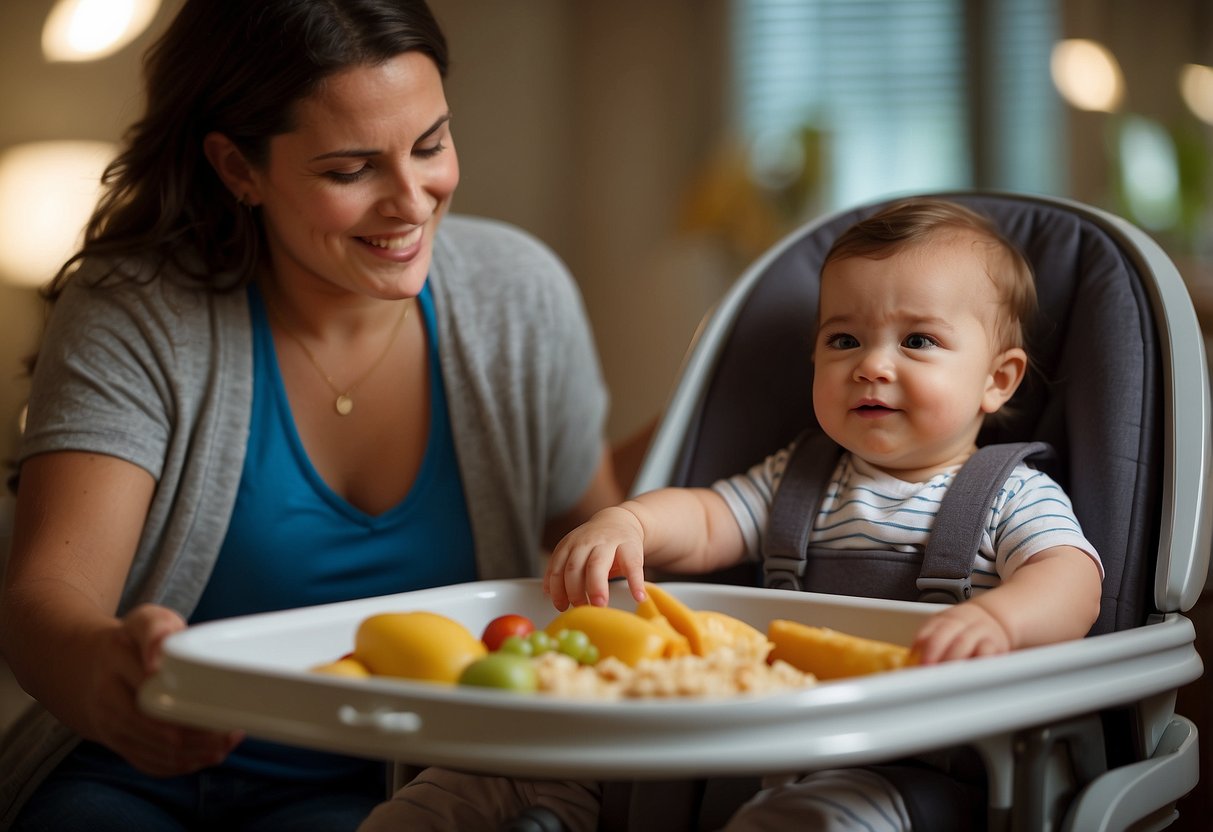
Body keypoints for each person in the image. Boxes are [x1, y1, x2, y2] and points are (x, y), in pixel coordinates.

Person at [0, 1, 627, 830]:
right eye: (349, 170)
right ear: (238, 169)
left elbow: (595, 563)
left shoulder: (520, 295)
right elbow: (48, 596)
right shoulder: (140, 309)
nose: (412, 201)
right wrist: (110, 676)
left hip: (389, 793)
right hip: (132, 781)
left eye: (431, 144)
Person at [544, 198, 1105, 830]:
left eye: (918, 340)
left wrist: (1000, 621)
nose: (870, 364)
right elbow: (705, 521)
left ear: (997, 380)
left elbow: (1071, 579)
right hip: (769, 739)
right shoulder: (798, 479)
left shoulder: (1010, 495)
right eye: (844, 339)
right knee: (547, 765)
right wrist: (631, 524)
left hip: (922, 764)